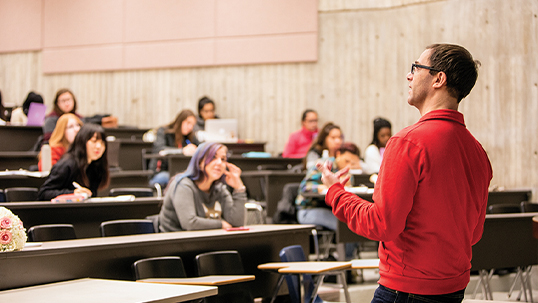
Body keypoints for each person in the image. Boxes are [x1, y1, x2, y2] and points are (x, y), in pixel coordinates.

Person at [317, 44, 492, 302]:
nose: (409, 76)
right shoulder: (478, 152)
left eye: (416, 68)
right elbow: (474, 233)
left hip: (406, 290)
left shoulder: (408, 143)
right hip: (452, 289)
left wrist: (336, 193)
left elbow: (382, 224)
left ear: (438, 79)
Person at [158, 142, 246, 231]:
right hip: (174, 242)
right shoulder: (183, 185)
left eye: (223, 159)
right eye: (213, 157)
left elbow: (236, 223)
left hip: (205, 242)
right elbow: (190, 223)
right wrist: (221, 224)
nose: (219, 162)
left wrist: (239, 189)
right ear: (200, 162)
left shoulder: (219, 189)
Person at [296, 142, 361, 231]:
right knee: (346, 227)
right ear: (338, 154)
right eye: (347, 161)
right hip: (309, 209)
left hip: (331, 210)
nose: (349, 165)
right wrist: (325, 187)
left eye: (353, 163)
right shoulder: (324, 165)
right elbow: (304, 188)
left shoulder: (346, 172)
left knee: (355, 221)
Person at [37, 123, 110, 201]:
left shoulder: (95, 166)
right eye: (94, 141)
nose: (99, 146)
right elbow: (44, 193)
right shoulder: (67, 165)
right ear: (82, 141)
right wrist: (73, 193)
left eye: (102, 142)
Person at [149, 109, 200, 188]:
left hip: (182, 172)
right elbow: (160, 149)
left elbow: (201, 147)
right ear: (180, 121)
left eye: (192, 125)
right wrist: (182, 151)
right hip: (163, 171)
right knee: (180, 179)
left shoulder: (189, 137)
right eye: (188, 123)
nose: (190, 127)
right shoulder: (163, 131)